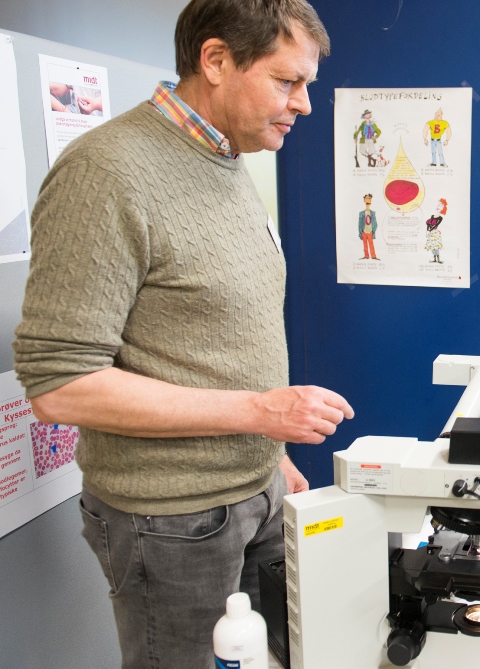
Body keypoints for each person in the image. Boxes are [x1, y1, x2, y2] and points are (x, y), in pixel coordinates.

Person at [12, 1, 348, 666]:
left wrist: (267, 451)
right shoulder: (107, 174)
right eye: (288, 81)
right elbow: (60, 385)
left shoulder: (226, 157)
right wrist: (259, 411)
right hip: (172, 522)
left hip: (257, 490)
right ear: (217, 60)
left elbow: (212, 334)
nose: (305, 103)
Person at [425, 198, 447, 263]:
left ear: (442, 209)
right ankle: (434, 259)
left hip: (435, 233)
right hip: (431, 232)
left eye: (440, 207)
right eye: (438, 205)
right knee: (432, 246)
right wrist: (427, 231)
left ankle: (439, 260)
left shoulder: (440, 218)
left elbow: (436, 225)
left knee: (436, 246)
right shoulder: (432, 216)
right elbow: (429, 223)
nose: (438, 207)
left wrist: (430, 230)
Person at [360, 193, 379, 259]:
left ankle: (373, 256)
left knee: (371, 244)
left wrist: (373, 230)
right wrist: (360, 231)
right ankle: (366, 256)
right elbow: (360, 223)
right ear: (364, 200)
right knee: (365, 244)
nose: (368, 200)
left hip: (370, 231)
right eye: (366, 198)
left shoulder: (372, 213)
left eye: (369, 198)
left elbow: (375, 223)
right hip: (364, 231)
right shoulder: (361, 213)